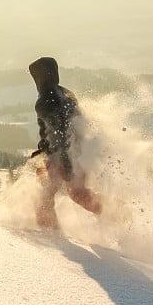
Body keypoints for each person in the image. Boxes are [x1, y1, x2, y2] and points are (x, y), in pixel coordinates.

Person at [28, 56, 101, 229]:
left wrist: (66, 163)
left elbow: (59, 132)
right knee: (79, 194)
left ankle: (49, 233)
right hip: (78, 152)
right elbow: (76, 123)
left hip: (62, 154)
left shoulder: (44, 102)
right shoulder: (65, 93)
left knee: (45, 194)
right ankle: (117, 212)